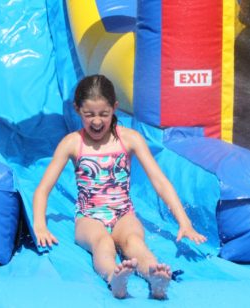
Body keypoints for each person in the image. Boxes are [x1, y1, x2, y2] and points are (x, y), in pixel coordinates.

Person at [33, 74, 207, 299]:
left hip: (123, 213)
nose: (97, 121)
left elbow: (160, 181)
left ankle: (154, 275)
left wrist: (184, 222)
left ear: (115, 108)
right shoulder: (72, 143)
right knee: (102, 242)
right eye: (89, 114)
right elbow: (43, 189)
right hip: (89, 217)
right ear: (77, 109)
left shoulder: (130, 139)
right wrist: (39, 225)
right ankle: (113, 278)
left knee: (134, 242)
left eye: (104, 114)